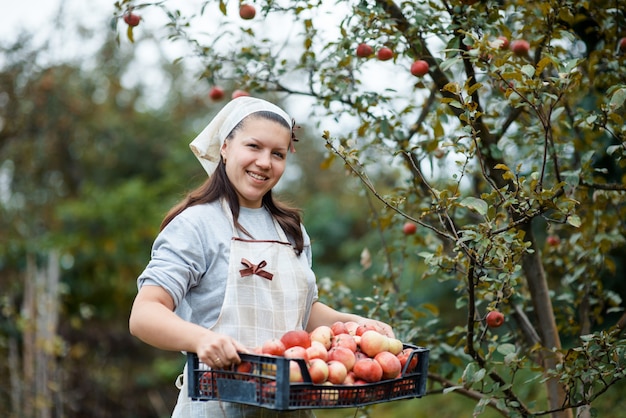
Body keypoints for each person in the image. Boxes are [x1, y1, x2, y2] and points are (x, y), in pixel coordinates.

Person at [128, 96, 394, 417]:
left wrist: (355, 324)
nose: (265, 162)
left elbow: (301, 314)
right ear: (225, 147)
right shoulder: (196, 224)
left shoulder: (291, 229)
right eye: (253, 146)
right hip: (219, 406)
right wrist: (202, 340)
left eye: (277, 154)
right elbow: (144, 314)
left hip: (291, 407)